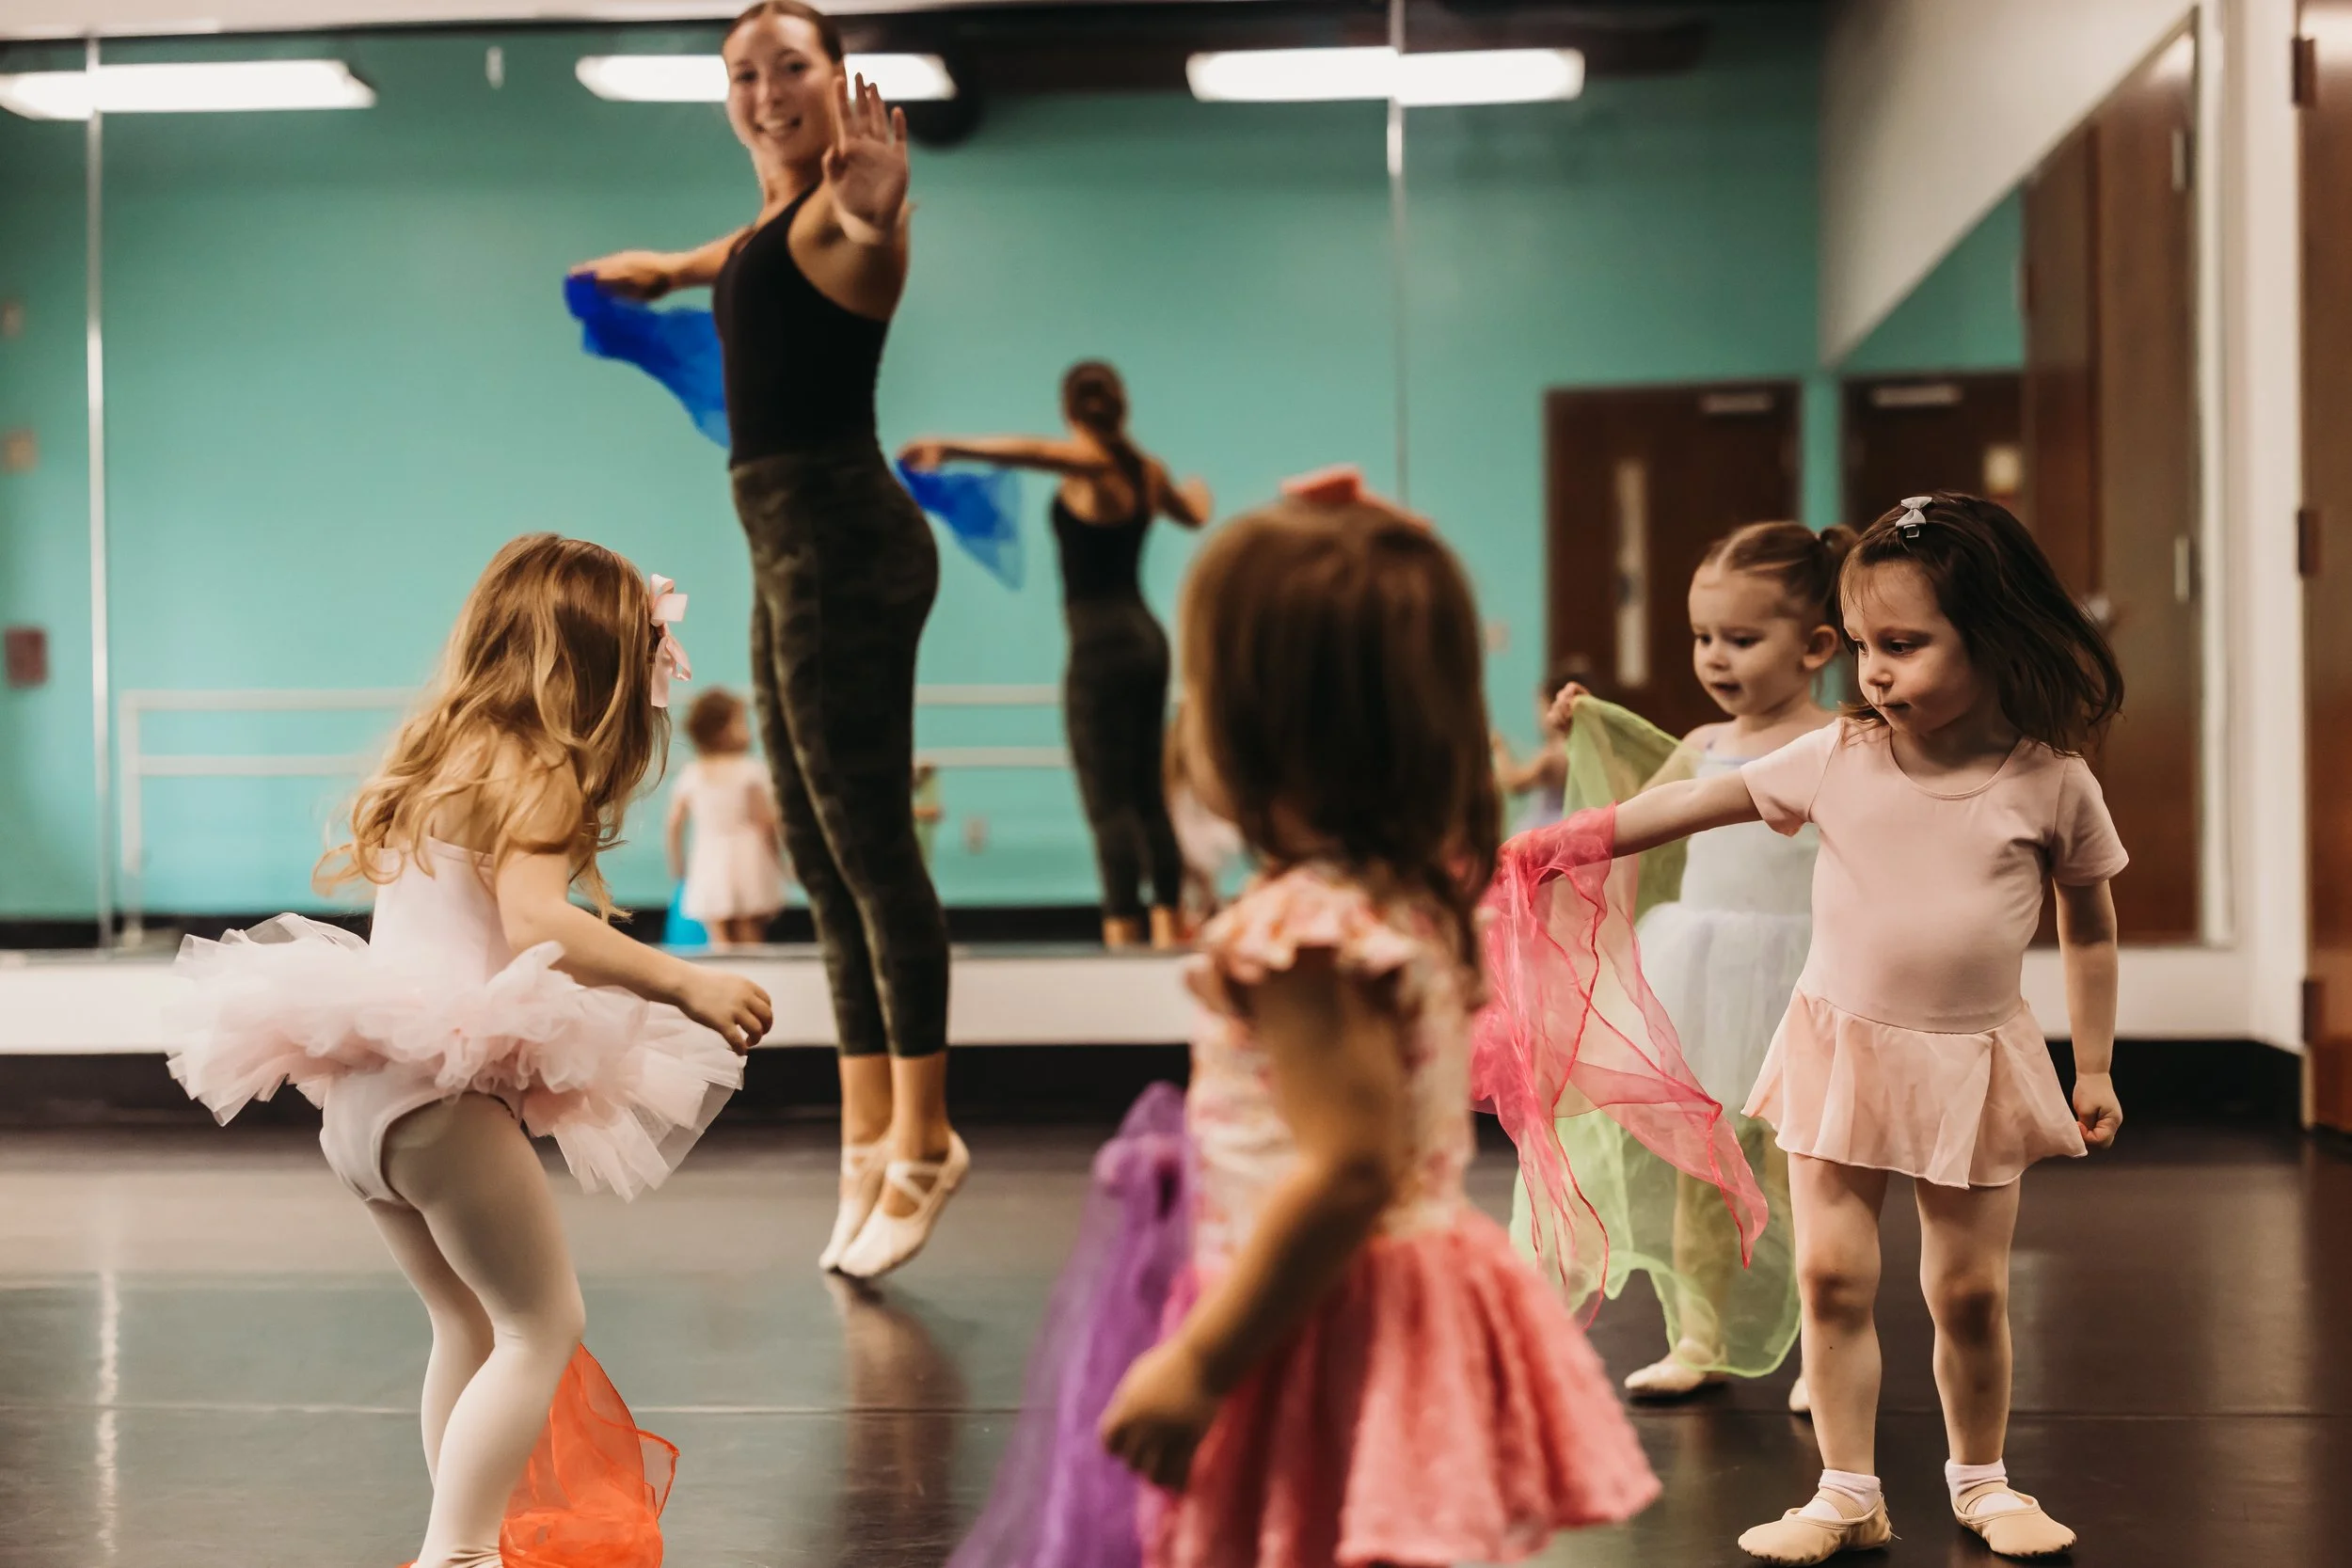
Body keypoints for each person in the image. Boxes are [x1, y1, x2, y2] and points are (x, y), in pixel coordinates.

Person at [952, 476, 1668, 1568]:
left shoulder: (1304, 931)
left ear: (1262, 730)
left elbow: (1346, 1168)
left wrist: (1200, 1361)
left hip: (1322, 1310)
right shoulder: (1409, 892)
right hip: (1400, 1289)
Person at [1507, 493, 2125, 1563]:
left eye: (1904, 645)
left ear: (1993, 634)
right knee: (1831, 1277)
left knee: (1965, 1288)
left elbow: (2092, 925)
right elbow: (1696, 801)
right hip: (1839, 1047)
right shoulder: (1836, 755)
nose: (1873, 672)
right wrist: (1569, 838)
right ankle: (1847, 1490)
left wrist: (2096, 1063)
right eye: (1867, 648)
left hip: (1973, 1059)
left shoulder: (2050, 782)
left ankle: (1981, 1479)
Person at [166, 535, 773, 1568]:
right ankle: (457, 1552)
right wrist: (685, 977)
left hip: (362, 1100)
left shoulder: (446, 752)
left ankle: (462, 1538)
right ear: (595, 660)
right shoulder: (538, 762)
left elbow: (487, 932)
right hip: (440, 1094)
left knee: (471, 1326)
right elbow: (544, 918)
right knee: (543, 1320)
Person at [572, 0, 962, 1281]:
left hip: (849, 553)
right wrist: (672, 270)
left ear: (836, 80)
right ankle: (863, 1136)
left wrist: (882, 203)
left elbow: (852, 234)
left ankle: (925, 1137)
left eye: (790, 67)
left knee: (871, 851)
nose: (765, 90)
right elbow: (744, 249)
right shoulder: (758, 232)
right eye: (744, 73)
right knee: (820, 855)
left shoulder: (844, 219)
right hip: (790, 557)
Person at [1522, 521, 1848, 1412]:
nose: (1715, 656)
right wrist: (1586, 725)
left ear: (1816, 646)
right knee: (1704, 1174)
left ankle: (1828, 1355)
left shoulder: (1841, 741)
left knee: (1807, 1181)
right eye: (1703, 637)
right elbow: (1644, 806)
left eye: (1742, 639)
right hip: (1704, 977)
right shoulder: (1705, 744)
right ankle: (1696, 1335)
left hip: (1801, 980)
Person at [901, 361, 1214, 950]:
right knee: (1148, 792)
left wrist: (951, 445)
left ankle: (1123, 935)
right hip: (1148, 640)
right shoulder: (1147, 472)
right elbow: (1195, 515)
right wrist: (1196, 492)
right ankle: (1169, 928)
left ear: (1071, 412)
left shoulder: (1093, 467)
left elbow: (1034, 453)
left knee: (1108, 799)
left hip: (1101, 645)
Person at [667, 686, 788, 948]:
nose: (749, 730)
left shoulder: (692, 773)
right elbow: (766, 822)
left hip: (709, 858)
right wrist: (780, 862)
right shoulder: (750, 771)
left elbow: (674, 824)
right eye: (742, 722)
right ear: (721, 730)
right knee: (749, 931)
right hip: (748, 856)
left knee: (718, 932)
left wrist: (679, 866)